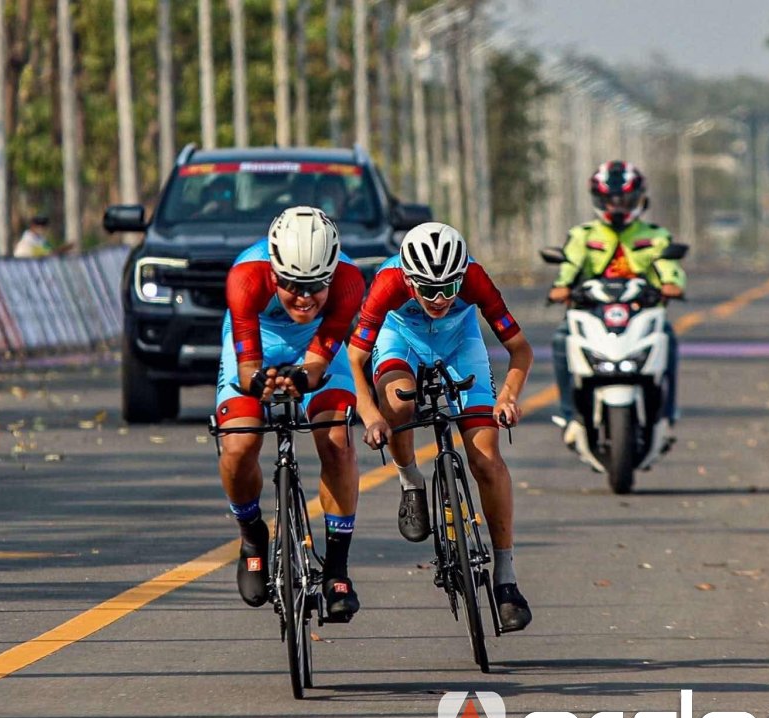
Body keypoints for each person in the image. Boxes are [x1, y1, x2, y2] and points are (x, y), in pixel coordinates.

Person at [348, 222, 535, 633]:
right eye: (427, 289)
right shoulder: (387, 283)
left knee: (486, 459)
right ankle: (410, 481)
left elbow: (520, 349)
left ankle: (506, 579)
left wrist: (508, 396)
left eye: (449, 288)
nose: (439, 298)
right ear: (408, 279)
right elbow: (355, 358)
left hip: (459, 342)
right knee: (399, 400)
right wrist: (370, 413)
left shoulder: (475, 279)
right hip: (402, 339)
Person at [217, 206, 365, 621]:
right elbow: (247, 368)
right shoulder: (245, 277)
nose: (303, 297)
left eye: (315, 285)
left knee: (336, 440)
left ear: (332, 274)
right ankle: (251, 535)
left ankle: (337, 568)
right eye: (291, 284)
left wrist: (303, 378)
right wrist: (259, 383)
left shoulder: (350, 282)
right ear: (273, 271)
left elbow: (319, 365)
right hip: (258, 340)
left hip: (314, 346)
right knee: (240, 443)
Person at [546, 161, 687, 445]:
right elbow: (569, 267)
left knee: (668, 340)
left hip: (640, 314)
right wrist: (561, 288)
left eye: (624, 199)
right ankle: (570, 415)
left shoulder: (656, 236)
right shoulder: (583, 235)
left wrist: (673, 285)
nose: (618, 206)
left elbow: (669, 267)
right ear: (598, 200)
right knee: (561, 340)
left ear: (639, 198)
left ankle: (666, 415)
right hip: (594, 314)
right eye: (610, 200)